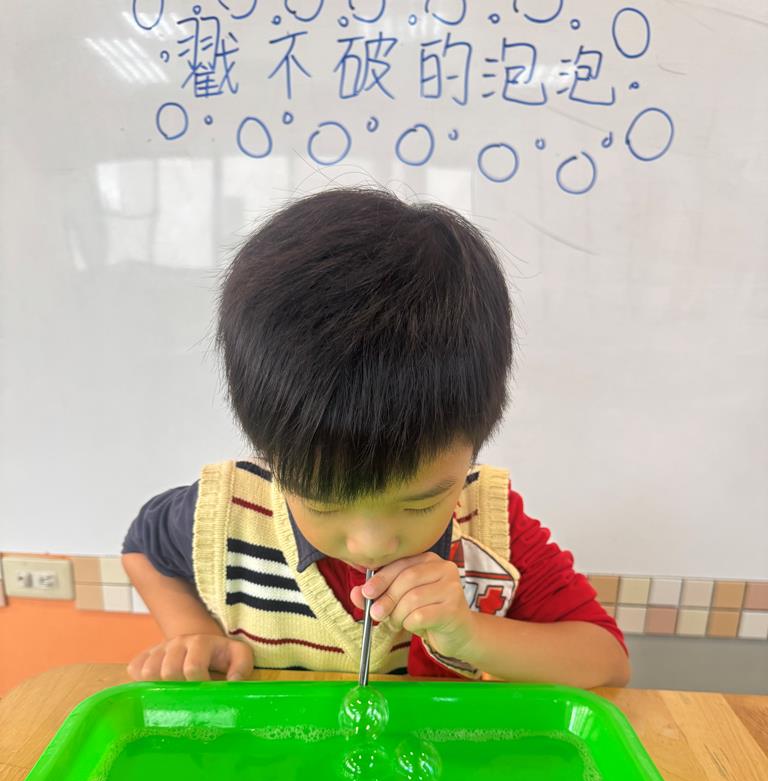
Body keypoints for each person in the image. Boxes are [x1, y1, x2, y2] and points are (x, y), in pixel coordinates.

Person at [122, 186, 630, 690]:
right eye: (323, 503)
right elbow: (142, 549)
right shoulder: (228, 513)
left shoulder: (487, 527)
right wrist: (191, 632)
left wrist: (470, 633)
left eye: (419, 503)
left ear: (471, 452)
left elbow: (606, 662)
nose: (370, 544)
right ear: (270, 454)